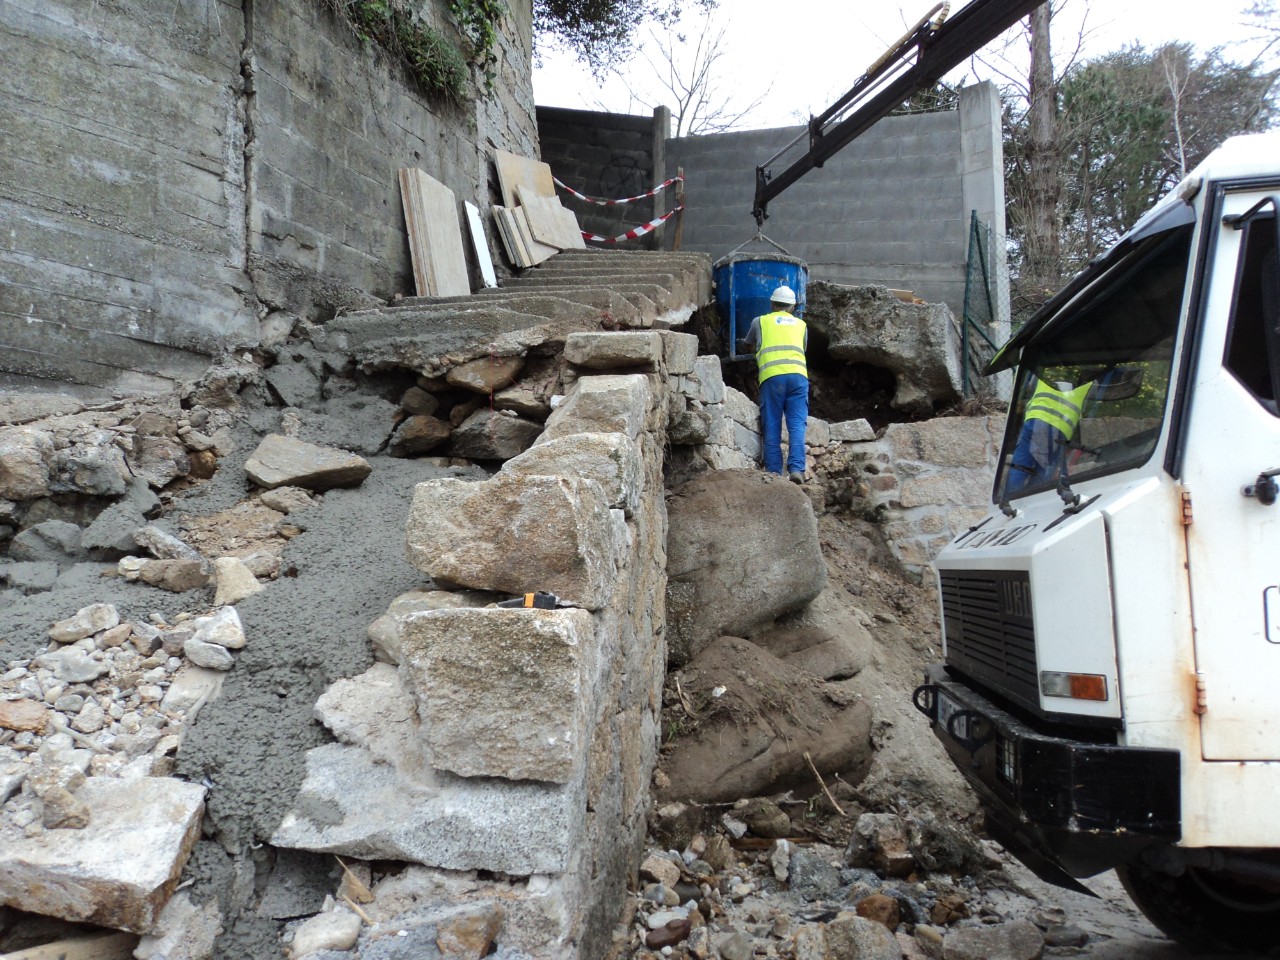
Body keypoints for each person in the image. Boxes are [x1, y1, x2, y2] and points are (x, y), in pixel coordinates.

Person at [743, 285, 809, 483]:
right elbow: (803, 348)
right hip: (798, 378)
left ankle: (774, 473)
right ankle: (797, 469)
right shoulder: (801, 325)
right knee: (797, 425)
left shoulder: (760, 321)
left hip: (772, 378)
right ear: (792, 307)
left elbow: (748, 343)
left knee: (772, 424)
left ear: (772, 303)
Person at [1006, 375, 1092, 495]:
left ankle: (1011, 498)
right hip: (1060, 429)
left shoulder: (1041, 369)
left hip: (1035, 420)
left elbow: (1029, 389)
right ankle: (1032, 499)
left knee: (1020, 465)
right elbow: (1089, 406)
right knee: (1044, 470)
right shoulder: (1090, 384)